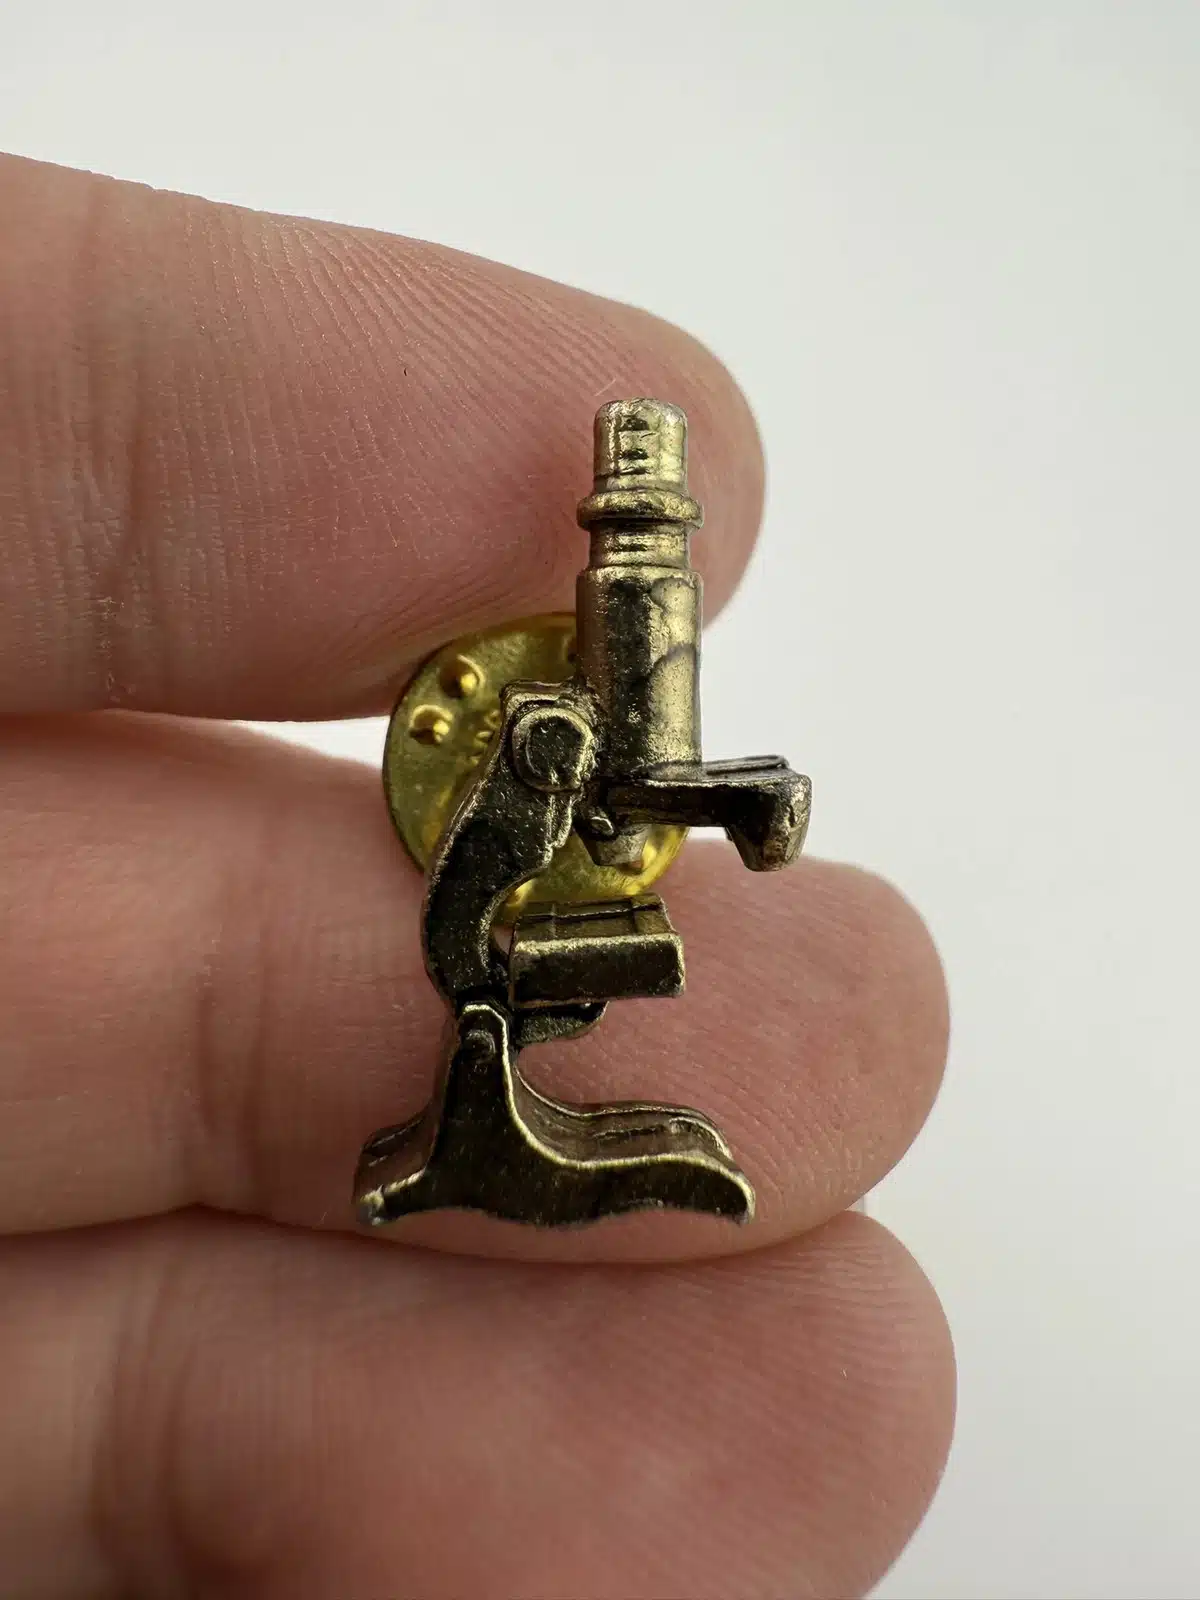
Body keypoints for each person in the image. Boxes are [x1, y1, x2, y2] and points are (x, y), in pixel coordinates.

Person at [0, 152, 954, 1599]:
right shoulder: (547, 742)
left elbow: (625, 795)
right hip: (482, 932)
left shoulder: (600, 685)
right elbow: (593, 815)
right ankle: (463, 1159)